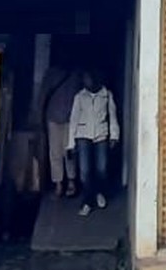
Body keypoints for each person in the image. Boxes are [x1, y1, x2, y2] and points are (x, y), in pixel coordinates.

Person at [68, 70, 120, 217]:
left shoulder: (106, 95)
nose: (86, 81)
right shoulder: (79, 97)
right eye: (84, 78)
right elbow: (74, 119)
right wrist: (71, 143)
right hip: (83, 135)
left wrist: (114, 136)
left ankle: (99, 192)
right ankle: (87, 202)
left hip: (101, 135)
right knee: (84, 172)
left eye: (88, 78)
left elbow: (113, 116)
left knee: (101, 168)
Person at [42, 66, 79, 199]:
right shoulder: (75, 75)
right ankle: (69, 183)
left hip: (56, 116)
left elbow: (43, 94)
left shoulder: (51, 74)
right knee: (66, 151)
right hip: (66, 117)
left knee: (58, 152)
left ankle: (61, 185)